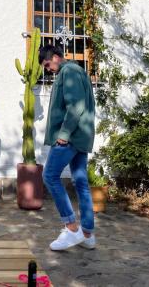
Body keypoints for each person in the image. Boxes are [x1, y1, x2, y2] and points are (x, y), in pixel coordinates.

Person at [39, 44, 96, 251]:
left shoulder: (69, 71)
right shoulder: (77, 70)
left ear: (55, 57)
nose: (47, 69)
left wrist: (63, 133)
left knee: (50, 176)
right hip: (81, 135)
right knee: (80, 182)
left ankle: (71, 228)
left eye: (47, 64)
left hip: (70, 136)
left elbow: (76, 105)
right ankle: (87, 234)